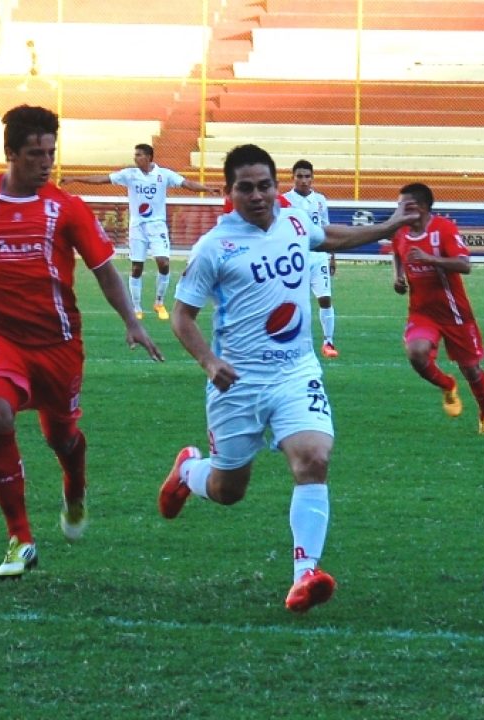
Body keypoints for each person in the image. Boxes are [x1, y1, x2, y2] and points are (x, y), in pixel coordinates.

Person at [157, 144, 418, 614]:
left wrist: (388, 226)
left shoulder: (295, 222)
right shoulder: (214, 247)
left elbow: (330, 237)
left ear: (275, 186)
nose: (257, 196)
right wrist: (209, 363)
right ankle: (189, 472)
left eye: (264, 186)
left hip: (296, 372)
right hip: (238, 383)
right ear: (228, 192)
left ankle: (305, 575)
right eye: (246, 188)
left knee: (314, 458)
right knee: (228, 491)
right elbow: (182, 316)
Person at [0, 105, 163, 579]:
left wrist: (132, 321)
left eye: (51, 153)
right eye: (36, 154)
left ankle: (74, 487)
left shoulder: (66, 208)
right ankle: (20, 537)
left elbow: (104, 270)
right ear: (11, 153)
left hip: (58, 345)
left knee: (62, 437)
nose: (46, 163)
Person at [61, 144, 218, 321]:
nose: (135, 158)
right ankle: (136, 307)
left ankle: (159, 303)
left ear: (149, 157)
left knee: (164, 263)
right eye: (135, 155)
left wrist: (206, 189)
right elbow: (102, 179)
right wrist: (75, 178)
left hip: (157, 226)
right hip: (137, 227)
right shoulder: (129, 174)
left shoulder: (163, 174)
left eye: (139, 155)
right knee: (136, 267)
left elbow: (186, 183)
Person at [391, 182, 484, 435]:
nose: (399, 211)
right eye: (399, 206)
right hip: (422, 311)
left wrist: (430, 259)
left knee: (471, 369)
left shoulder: (444, 228)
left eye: (405, 206)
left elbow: (464, 265)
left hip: (454, 313)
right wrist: (397, 276)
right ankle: (447, 385)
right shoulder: (400, 232)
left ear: (421, 207)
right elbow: (397, 252)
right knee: (416, 354)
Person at [282, 160, 338, 358]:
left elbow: (326, 228)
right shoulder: (285, 200)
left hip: (318, 256)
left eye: (307, 176)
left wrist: (332, 256)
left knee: (325, 298)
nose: (304, 180)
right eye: (300, 176)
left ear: (312, 177)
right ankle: (293, 341)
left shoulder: (320, 200)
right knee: (294, 301)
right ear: (293, 177)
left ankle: (328, 341)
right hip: (295, 257)